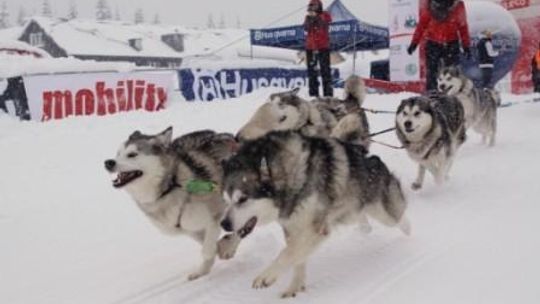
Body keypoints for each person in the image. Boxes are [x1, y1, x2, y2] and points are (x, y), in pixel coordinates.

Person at [407, 0, 471, 92]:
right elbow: (422, 24)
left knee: (451, 73)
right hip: (435, 43)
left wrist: (466, 45)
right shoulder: (430, 4)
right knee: (432, 72)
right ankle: (432, 95)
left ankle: (452, 95)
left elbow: (463, 25)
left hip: (450, 43)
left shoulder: (458, 5)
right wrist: (414, 43)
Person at [304, 0, 333, 97]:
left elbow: (323, 25)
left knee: (325, 72)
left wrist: (316, 17)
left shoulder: (324, 16)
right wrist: (310, 18)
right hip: (310, 48)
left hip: (322, 48)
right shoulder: (308, 18)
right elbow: (306, 28)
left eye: (314, 6)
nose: (312, 8)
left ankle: (328, 95)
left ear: (319, 6)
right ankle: (313, 95)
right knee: (312, 73)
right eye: (311, 6)